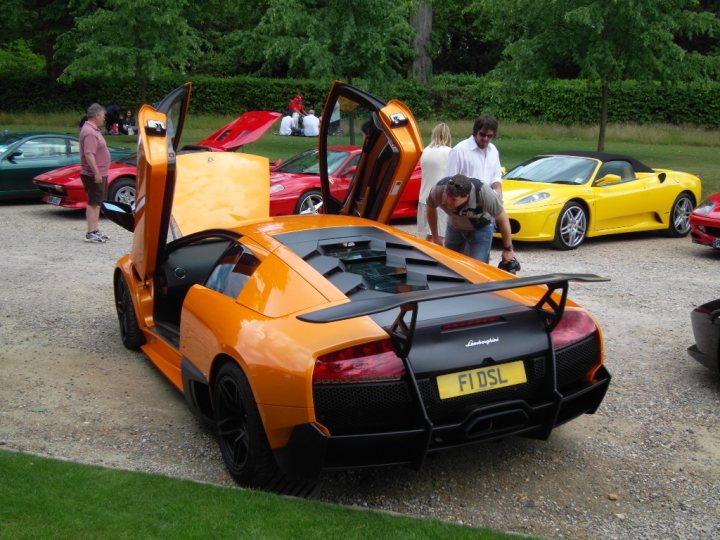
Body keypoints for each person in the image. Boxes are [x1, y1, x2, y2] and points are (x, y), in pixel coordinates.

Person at [426, 174, 515, 265]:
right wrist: (435, 237)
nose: (448, 201)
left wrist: (508, 249)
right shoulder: (438, 190)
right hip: (454, 226)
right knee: (449, 263)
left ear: (466, 196)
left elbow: (503, 218)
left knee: (476, 266)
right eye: (447, 196)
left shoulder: (483, 193)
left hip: (481, 228)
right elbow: (430, 208)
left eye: (453, 199)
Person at [446, 114, 503, 198]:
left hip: (487, 204)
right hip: (465, 205)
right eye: (482, 134)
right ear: (475, 132)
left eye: (490, 136)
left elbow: (496, 176)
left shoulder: (493, 151)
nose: (486, 139)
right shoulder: (459, 151)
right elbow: (449, 181)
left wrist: (498, 189)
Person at [79, 103, 111, 243]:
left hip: (100, 172)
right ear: (97, 116)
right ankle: (91, 232)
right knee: (93, 203)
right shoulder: (90, 132)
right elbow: (89, 154)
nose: (104, 118)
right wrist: (96, 173)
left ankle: (95, 229)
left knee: (97, 203)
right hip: (93, 174)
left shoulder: (94, 130)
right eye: (103, 115)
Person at [417, 123, 452, 242]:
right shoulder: (450, 152)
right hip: (441, 199)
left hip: (424, 197)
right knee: (440, 236)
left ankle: (424, 256)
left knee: (430, 234)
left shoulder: (424, 152)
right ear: (447, 135)